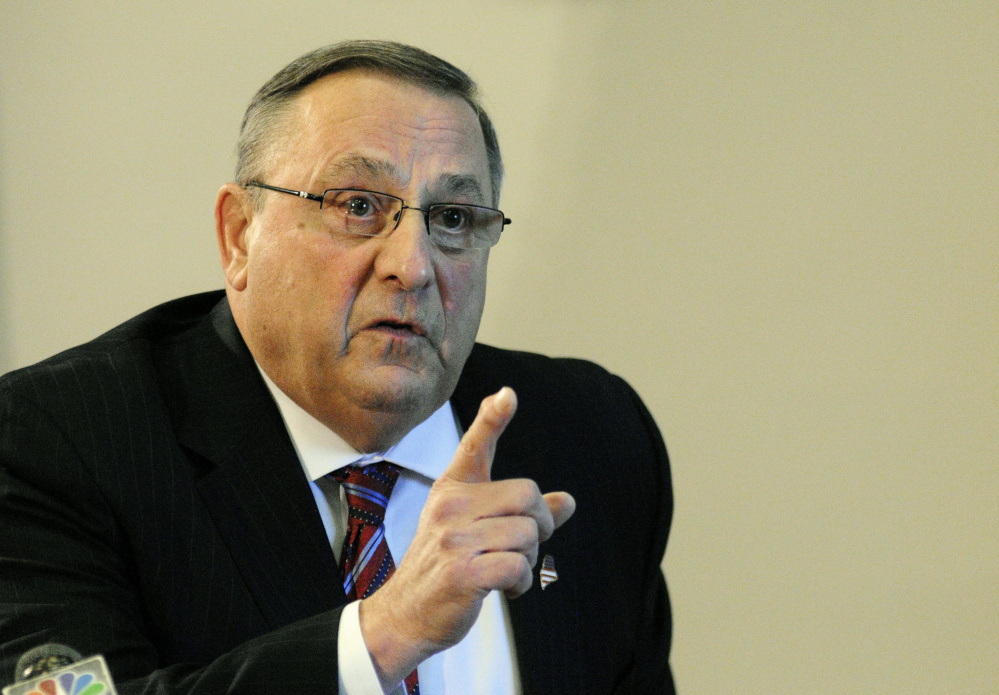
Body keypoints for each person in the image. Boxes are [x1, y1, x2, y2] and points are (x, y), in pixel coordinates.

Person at [0, 41, 674, 694]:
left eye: (452, 218)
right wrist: (386, 631)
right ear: (238, 234)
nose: (411, 266)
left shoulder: (591, 433)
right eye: (356, 206)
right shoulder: (55, 442)